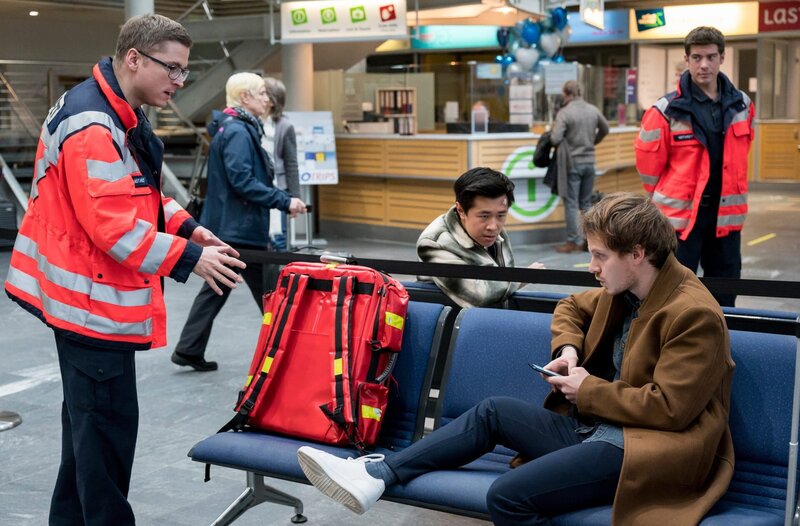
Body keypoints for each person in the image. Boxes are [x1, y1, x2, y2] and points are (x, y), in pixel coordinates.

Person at [297, 192, 734, 525]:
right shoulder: (629, 287)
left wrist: (587, 389)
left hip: (650, 450)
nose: (592, 267)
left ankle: (376, 472)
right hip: (606, 429)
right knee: (492, 413)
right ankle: (378, 476)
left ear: (637, 254)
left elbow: (671, 409)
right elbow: (570, 308)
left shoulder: (691, 313)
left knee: (508, 495)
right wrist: (568, 350)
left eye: (600, 256)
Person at [3, 14, 247, 525]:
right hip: (90, 305)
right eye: (173, 69)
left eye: (185, 71)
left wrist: (187, 228)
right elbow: (114, 228)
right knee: (106, 441)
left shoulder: (109, 109)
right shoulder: (95, 124)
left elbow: (137, 192)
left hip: (82, 299)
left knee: (89, 439)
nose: (180, 82)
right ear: (135, 58)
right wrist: (191, 258)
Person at [171, 72, 306, 371]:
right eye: (261, 93)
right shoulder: (239, 132)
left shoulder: (234, 128)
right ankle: (287, 351)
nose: (267, 99)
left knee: (221, 287)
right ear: (245, 97)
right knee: (269, 289)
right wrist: (285, 200)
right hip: (240, 228)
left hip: (233, 226)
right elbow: (242, 181)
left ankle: (189, 347)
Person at [635, 26, 754, 307]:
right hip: (679, 220)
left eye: (711, 57)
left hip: (726, 216)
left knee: (725, 290)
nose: (704, 65)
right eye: (697, 57)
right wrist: (668, 195)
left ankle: (719, 345)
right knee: (672, 292)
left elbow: (740, 156)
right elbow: (648, 167)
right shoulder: (664, 110)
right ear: (686, 59)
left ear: (722, 58)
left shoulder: (743, 105)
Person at [416, 167, 543, 309]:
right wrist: (523, 276)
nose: (494, 226)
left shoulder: (493, 230)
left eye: (501, 215)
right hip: (458, 325)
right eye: (484, 216)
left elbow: (502, 278)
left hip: (495, 317)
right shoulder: (434, 243)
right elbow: (481, 296)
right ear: (461, 210)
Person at [550, 80, 609, 254]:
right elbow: (605, 128)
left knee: (571, 203)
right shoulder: (593, 109)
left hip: (571, 163)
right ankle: (588, 240)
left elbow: (555, 139)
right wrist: (592, 142)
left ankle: (573, 241)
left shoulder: (565, 112)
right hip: (590, 162)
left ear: (565, 93)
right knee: (585, 202)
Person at [262, 77, 301, 252]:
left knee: (278, 241)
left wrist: (295, 196)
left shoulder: (284, 126)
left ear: (271, 100)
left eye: (263, 93)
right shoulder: (252, 122)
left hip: (279, 190)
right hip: (260, 190)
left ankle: (280, 278)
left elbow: (291, 164)